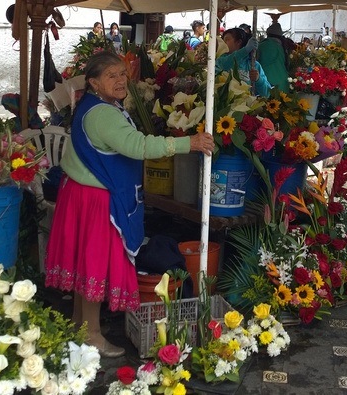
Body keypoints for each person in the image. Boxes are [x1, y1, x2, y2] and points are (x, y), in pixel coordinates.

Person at [44, 51, 215, 358]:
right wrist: (189, 143)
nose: (121, 80)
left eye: (123, 74)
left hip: (82, 192)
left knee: (86, 264)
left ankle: (80, 325)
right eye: (112, 76)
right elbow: (137, 146)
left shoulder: (99, 105)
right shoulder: (102, 114)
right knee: (93, 265)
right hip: (94, 198)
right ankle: (92, 335)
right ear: (94, 82)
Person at [216, 27, 271, 97]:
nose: (224, 43)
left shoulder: (254, 65)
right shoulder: (221, 59)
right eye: (223, 40)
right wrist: (245, 50)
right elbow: (225, 64)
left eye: (227, 39)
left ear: (238, 42)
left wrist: (258, 80)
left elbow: (267, 94)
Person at [257, 22, 291, 92]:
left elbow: (255, 63)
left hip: (269, 83)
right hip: (283, 83)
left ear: (268, 34)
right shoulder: (282, 46)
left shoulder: (263, 45)